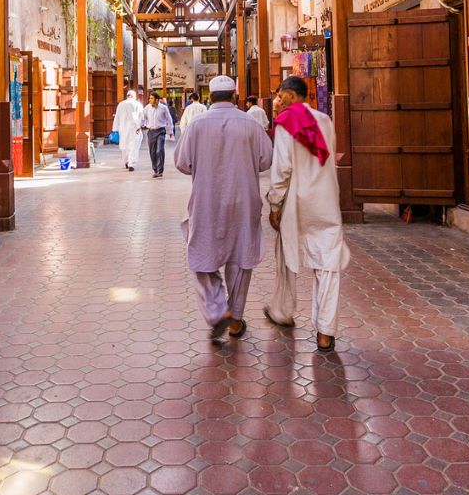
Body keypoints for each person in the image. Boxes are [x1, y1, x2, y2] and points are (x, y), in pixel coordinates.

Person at [175, 76, 273, 341]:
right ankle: (235, 319)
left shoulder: (196, 124)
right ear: (234, 96)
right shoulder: (251, 123)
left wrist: (205, 165)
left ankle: (218, 310)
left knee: (201, 255)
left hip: (207, 200)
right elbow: (266, 160)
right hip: (244, 200)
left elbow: (182, 163)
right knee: (241, 257)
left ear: (210, 95)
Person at [264, 75, 348, 353]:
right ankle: (325, 332)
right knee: (328, 265)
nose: (277, 100)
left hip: (296, 204)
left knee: (287, 255)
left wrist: (274, 205)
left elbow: (282, 170)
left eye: (279, 94)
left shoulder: (287, 122)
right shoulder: (325, 120)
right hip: (325, 201)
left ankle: (283, 310)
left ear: (290, 94)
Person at [140, 91, 174, 177]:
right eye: (149, 98)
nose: (149, 100)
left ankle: (160, 170)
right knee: (152, 152)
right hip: (151, 132)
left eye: (151, 98)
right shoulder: (147, 108)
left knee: (160, 150)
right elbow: (142, 118)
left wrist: (170, 131)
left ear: (157, 100)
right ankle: (155, 170)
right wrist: (139, 126)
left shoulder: (163, 108)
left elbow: (169, 119)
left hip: (161, 131)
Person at [112, 89, 144, 172]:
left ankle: (126, 161)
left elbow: (117, 117)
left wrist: (115, 129)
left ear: (127, 96)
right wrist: (140, 126)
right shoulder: (138, 104)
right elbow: (141, 117)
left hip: (122, 128)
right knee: (134, 145)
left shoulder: (121, 104)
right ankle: (131, 163)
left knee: (124, 145)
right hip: (134, 128)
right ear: (134, 96)